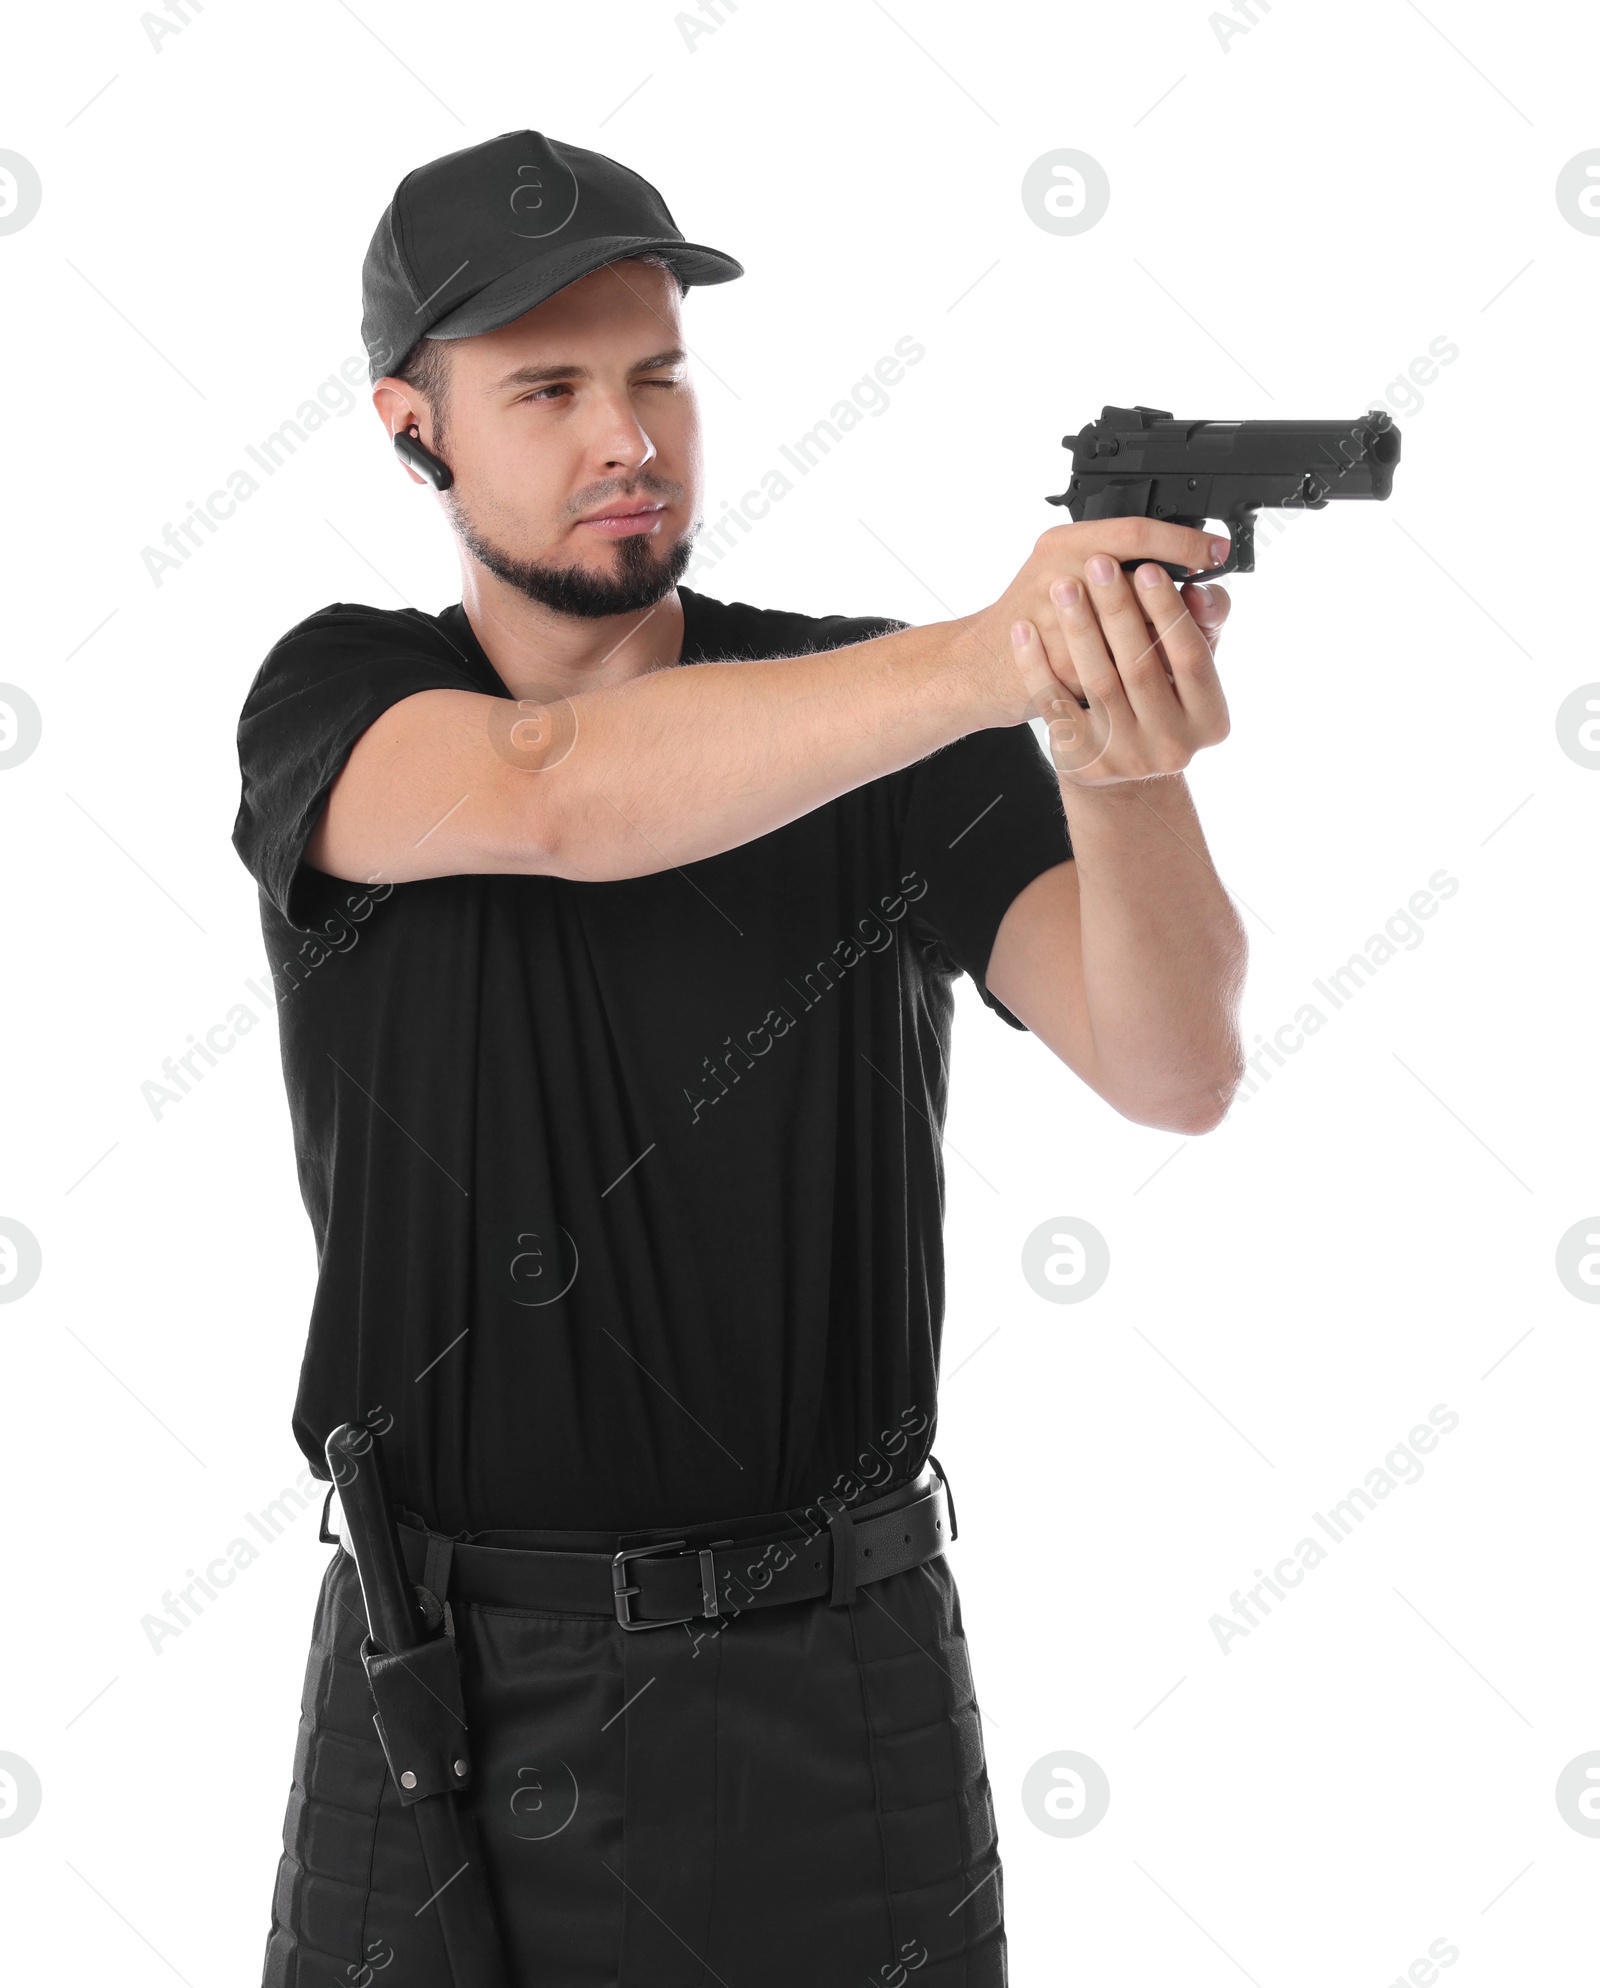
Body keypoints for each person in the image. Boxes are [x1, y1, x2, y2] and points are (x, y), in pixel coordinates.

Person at [233, 128, 1245, 1988]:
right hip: (444, 1689)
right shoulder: (342, 698)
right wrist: (991, 655)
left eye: (657, 377)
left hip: (836, 1682)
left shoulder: (879, 714)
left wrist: (1119, 764)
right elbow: (554, 802)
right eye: (545, 389)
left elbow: (1174, 1065)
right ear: (411, 423)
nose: (626, 438)